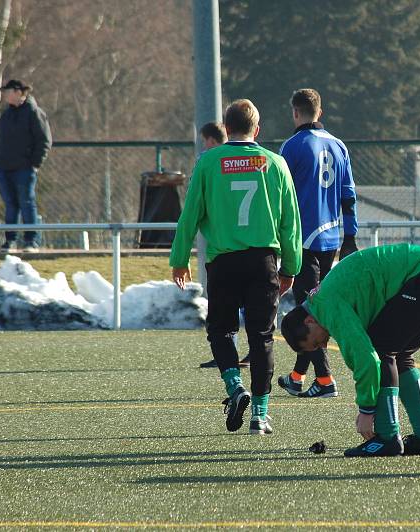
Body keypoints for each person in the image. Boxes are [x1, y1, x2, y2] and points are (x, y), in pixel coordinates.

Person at [170, 99, 301, 435]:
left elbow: (191, 214)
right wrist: (291, 266)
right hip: (263, 261)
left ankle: (235, 388)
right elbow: (290, 222)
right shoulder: (275, 162)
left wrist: (179, 257)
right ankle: (260, 413)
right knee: (261, 336)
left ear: (226, 129)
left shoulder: (209, 161)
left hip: (224, 261)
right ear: (257, 130)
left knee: (220, 330)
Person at [280, 243, 420, 457]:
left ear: (310, 321)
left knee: (382, 349)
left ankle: (387, 438)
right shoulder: (322, 298)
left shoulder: (326, 306)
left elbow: (366, 359)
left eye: (315, 342)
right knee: (401, 355)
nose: (322, 346)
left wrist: (366, 410)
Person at [275, 88, 358, 399]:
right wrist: (350, 236)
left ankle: (324, 381)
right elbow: (349, 195)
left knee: (308, 313)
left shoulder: (292, 146)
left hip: (303, 241)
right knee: (312, 309)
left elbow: (281, 197)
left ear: (295, 113)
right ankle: (297, 376)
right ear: (319, 112)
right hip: (332, 239)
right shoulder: (339, 146)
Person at [193, 121, 242, 370]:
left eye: (205, 141)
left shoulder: (209, 160)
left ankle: (227, 353)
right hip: (253, 242)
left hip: (222, 244)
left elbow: (195, 204)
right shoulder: (252, 157)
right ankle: (256, 349)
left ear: (211, 140)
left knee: (223, 305)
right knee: (252, 305)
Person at [0, 79, 52, 253]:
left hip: (24, 168)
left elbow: (44, 140)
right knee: (11, 205)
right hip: (4, 168)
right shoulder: (7, 115)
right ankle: (10, 241)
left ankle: (31, 241)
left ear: (19, 92)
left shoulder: (34, 113)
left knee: (27, 203)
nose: (5, 95)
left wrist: (34, 164)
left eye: (8, 91)